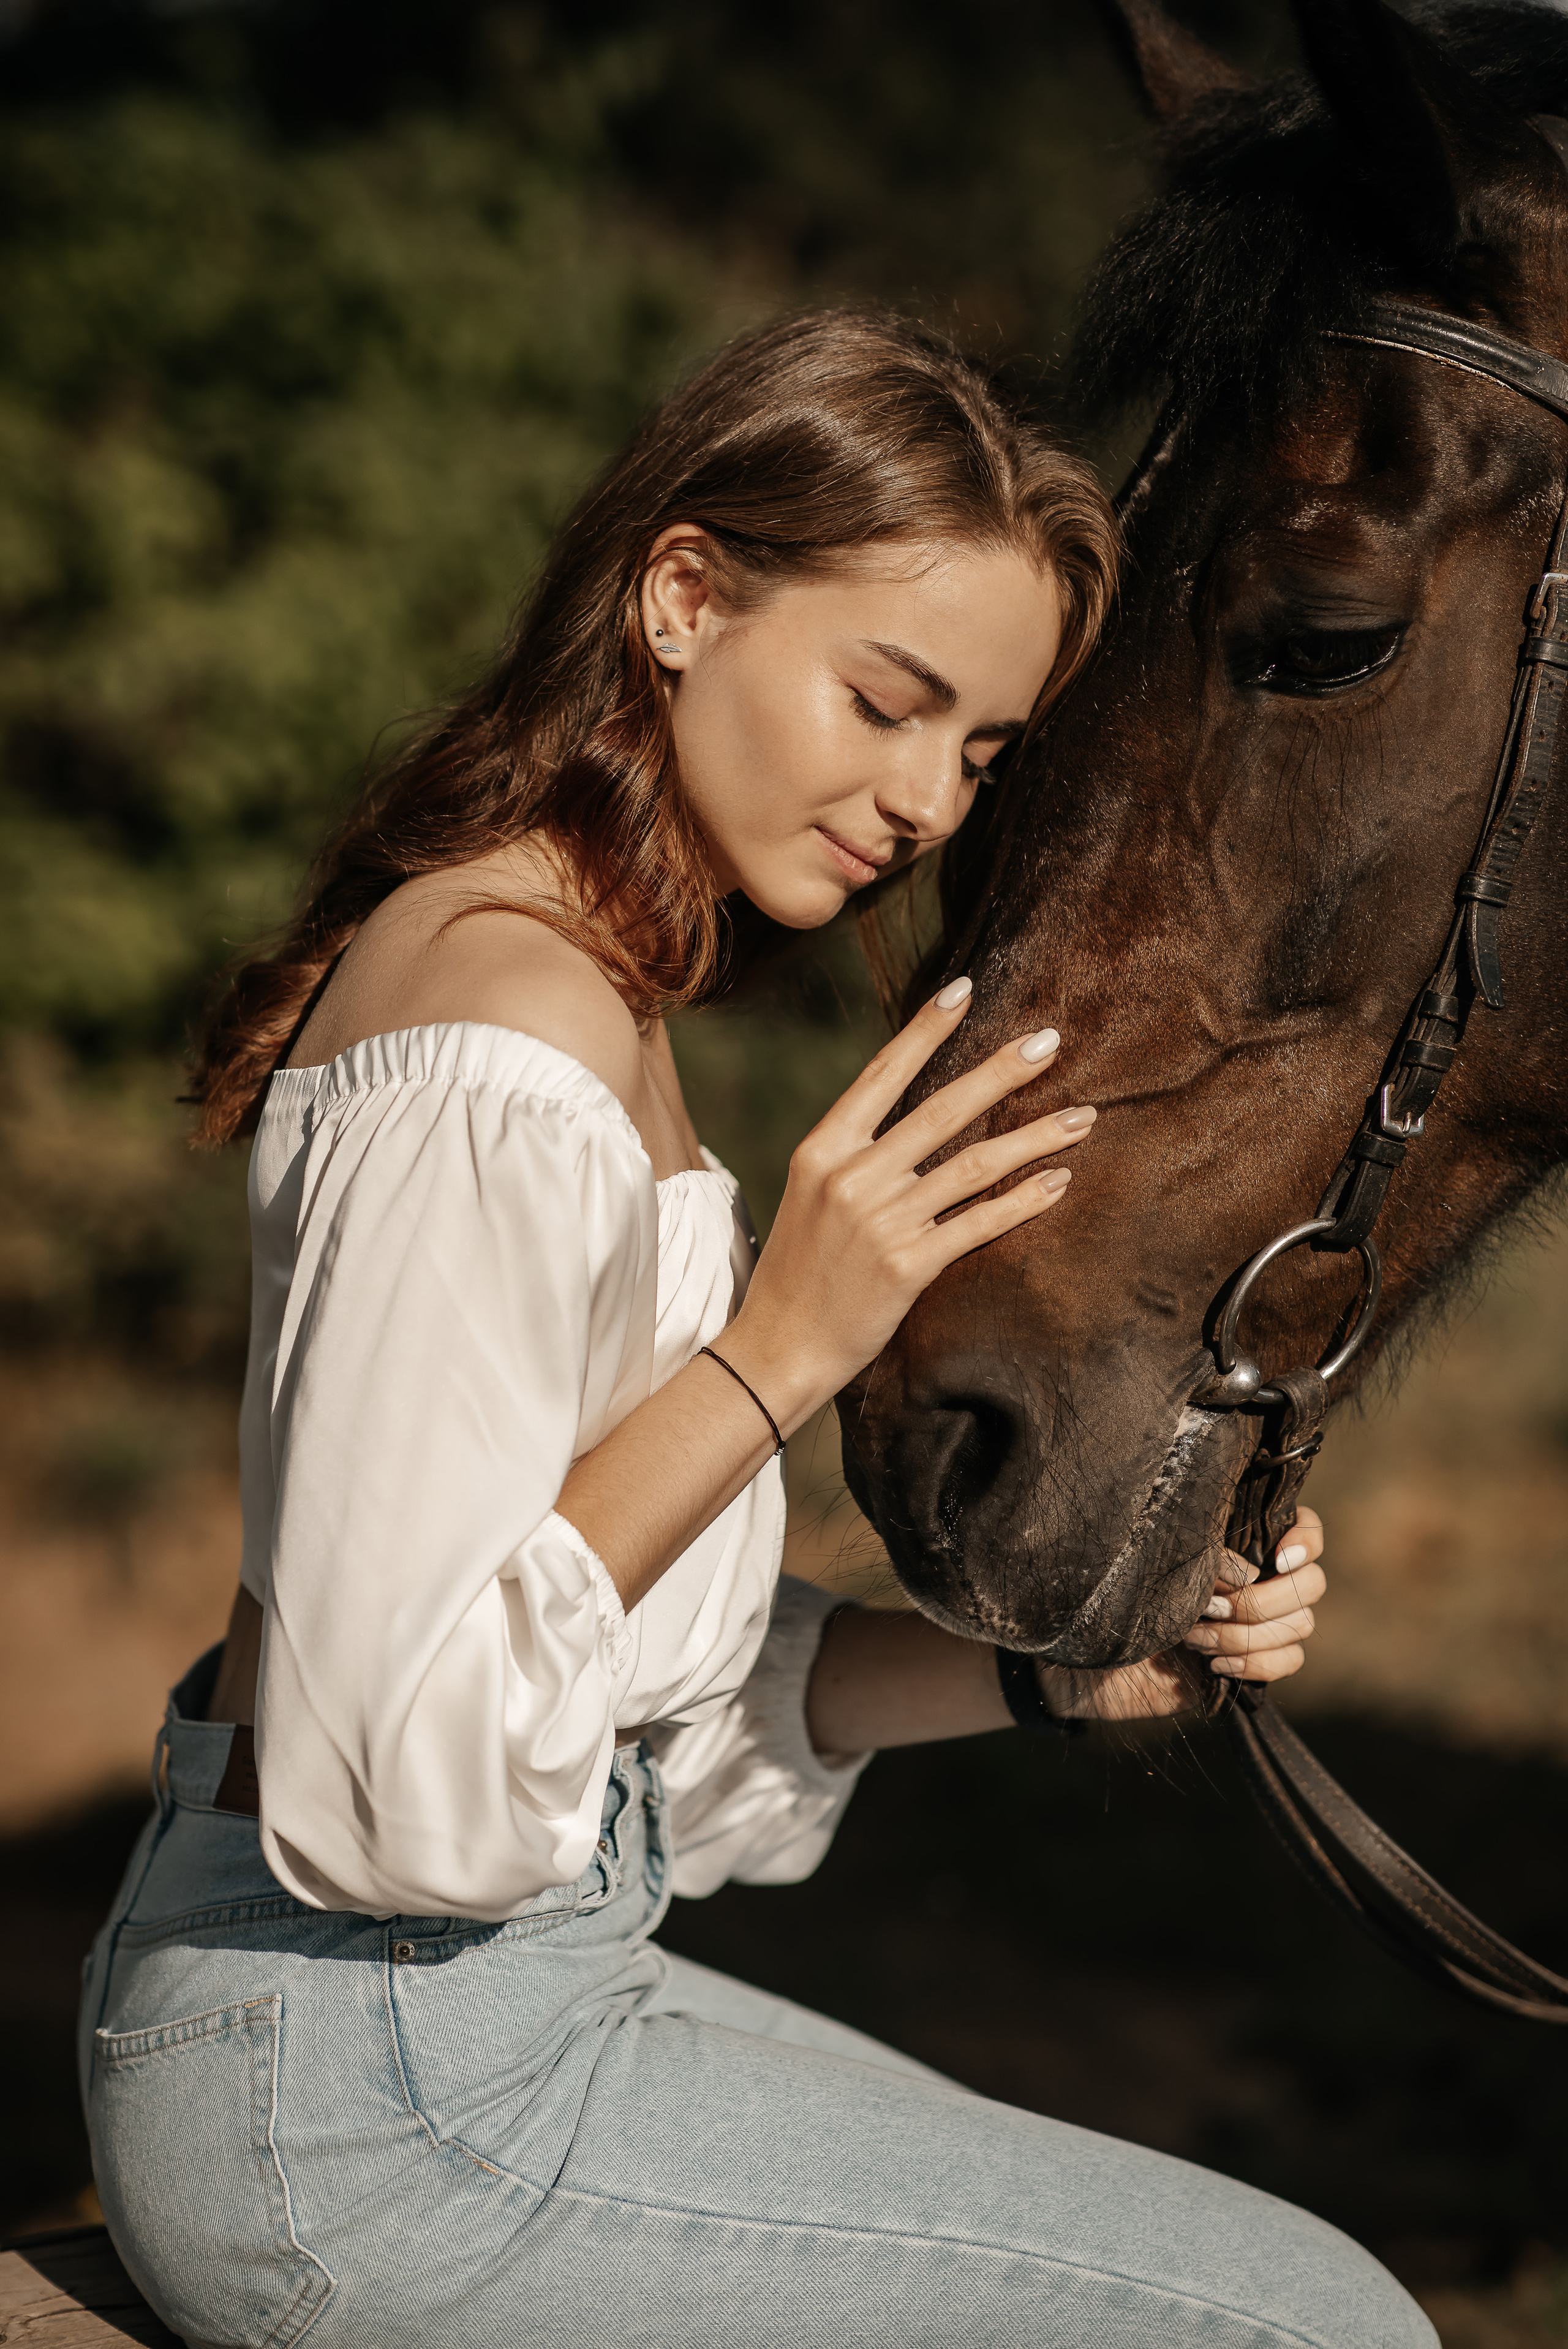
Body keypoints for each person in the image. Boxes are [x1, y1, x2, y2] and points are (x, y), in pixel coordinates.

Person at [77, 309, 1433, 2349]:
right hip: (363, 2086)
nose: (923, 802)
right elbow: (392, 1764)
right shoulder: (502, 1030)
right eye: (888, 701)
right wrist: (776, 1350)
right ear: (686, 595)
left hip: (473, 2019)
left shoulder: (586, 994)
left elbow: (638, 1689)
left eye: (980, 750)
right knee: (1312, 2323)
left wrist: (1077, 1675)